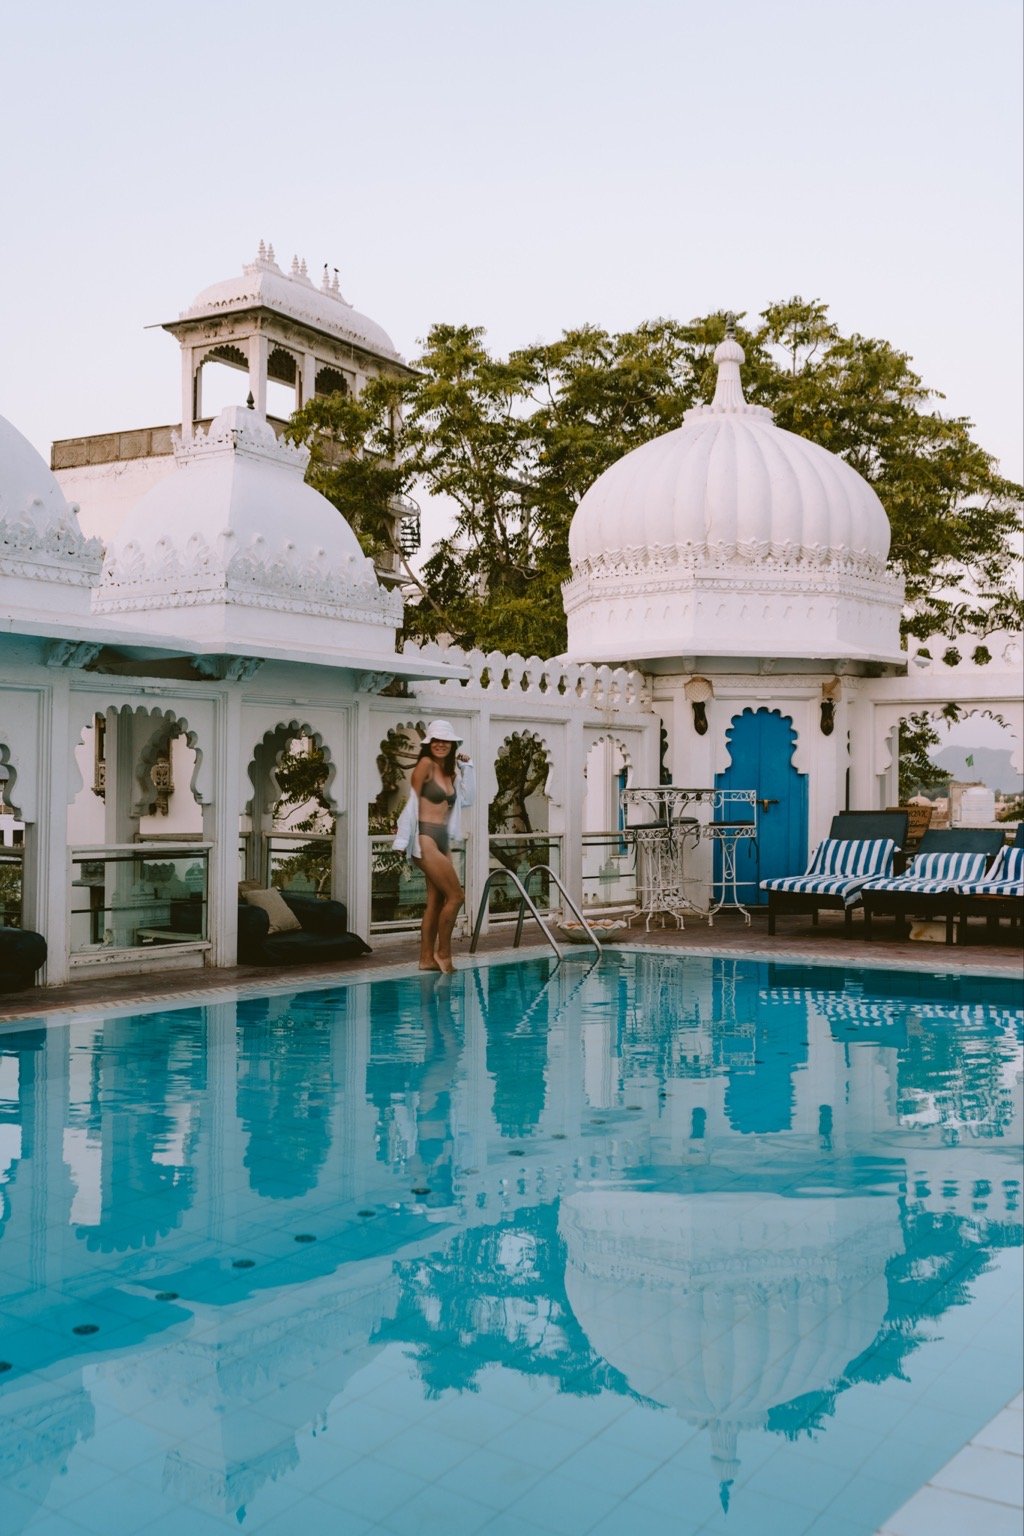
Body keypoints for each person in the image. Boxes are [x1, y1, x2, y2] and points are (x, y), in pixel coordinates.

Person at [393, 720, 476, 973]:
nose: (441, 745)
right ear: (429, 745)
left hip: (443, 839)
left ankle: (426, 958)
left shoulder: (451, 773)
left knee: (436, 901)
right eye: (436, 741)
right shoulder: (425, 765)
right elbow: (412, 804)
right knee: (457, 896)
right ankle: (444, 953)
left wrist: (467, 766)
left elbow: (468, 799)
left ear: (452, 745)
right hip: (426, 837)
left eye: (446, 741)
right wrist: (401, 839)